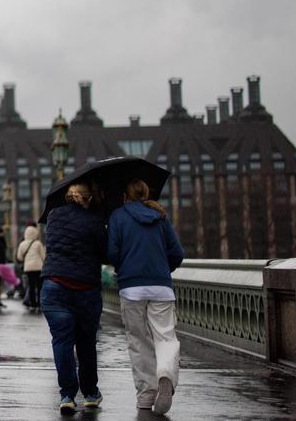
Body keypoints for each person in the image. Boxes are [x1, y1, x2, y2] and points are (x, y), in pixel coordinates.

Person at [107, 178, 185, 415]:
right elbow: (177, 253)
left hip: (131, 288)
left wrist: (124, 266)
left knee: (139, 341)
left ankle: (145, 395)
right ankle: (165, 375)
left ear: (125, 196)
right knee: (165, 337)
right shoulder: (160, 216)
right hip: (161, 286)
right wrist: (162, 270)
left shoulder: (118, 217)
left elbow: (112, 254)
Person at [41, 181, 108, 415]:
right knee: (86, 342)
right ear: (88, 198)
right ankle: (90, 393)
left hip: (54, 286)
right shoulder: (95, 220)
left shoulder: (53, 215)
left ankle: (67, 395)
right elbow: (105, 252)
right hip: (85, 288)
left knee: (62, 342)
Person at [17, 222, 46, 313]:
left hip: (28, 268)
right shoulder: (38, 243)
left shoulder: (22, 244)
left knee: (31, 286)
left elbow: (19, 257)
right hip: (38, 268)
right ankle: (39, 304)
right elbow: (43, 256)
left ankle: (32, 305)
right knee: (40, 287)